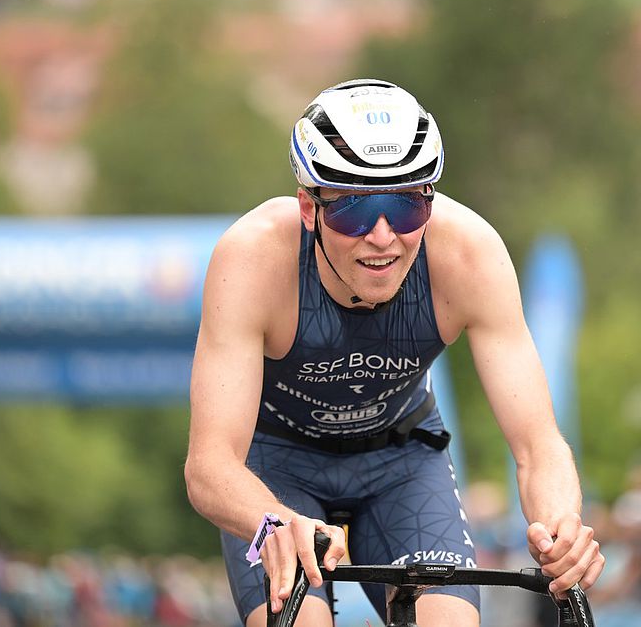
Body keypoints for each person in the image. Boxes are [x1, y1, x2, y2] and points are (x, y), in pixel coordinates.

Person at [183, 79, 604, 627]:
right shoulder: (253, 259)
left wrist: (560, 526)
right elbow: (209, 466)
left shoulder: (469, 253)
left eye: (405, 209)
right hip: (275, 466)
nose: (382, 237)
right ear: (309, 209)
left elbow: (538, 444)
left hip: (401, 462)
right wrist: (272, 522)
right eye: (355, 212)